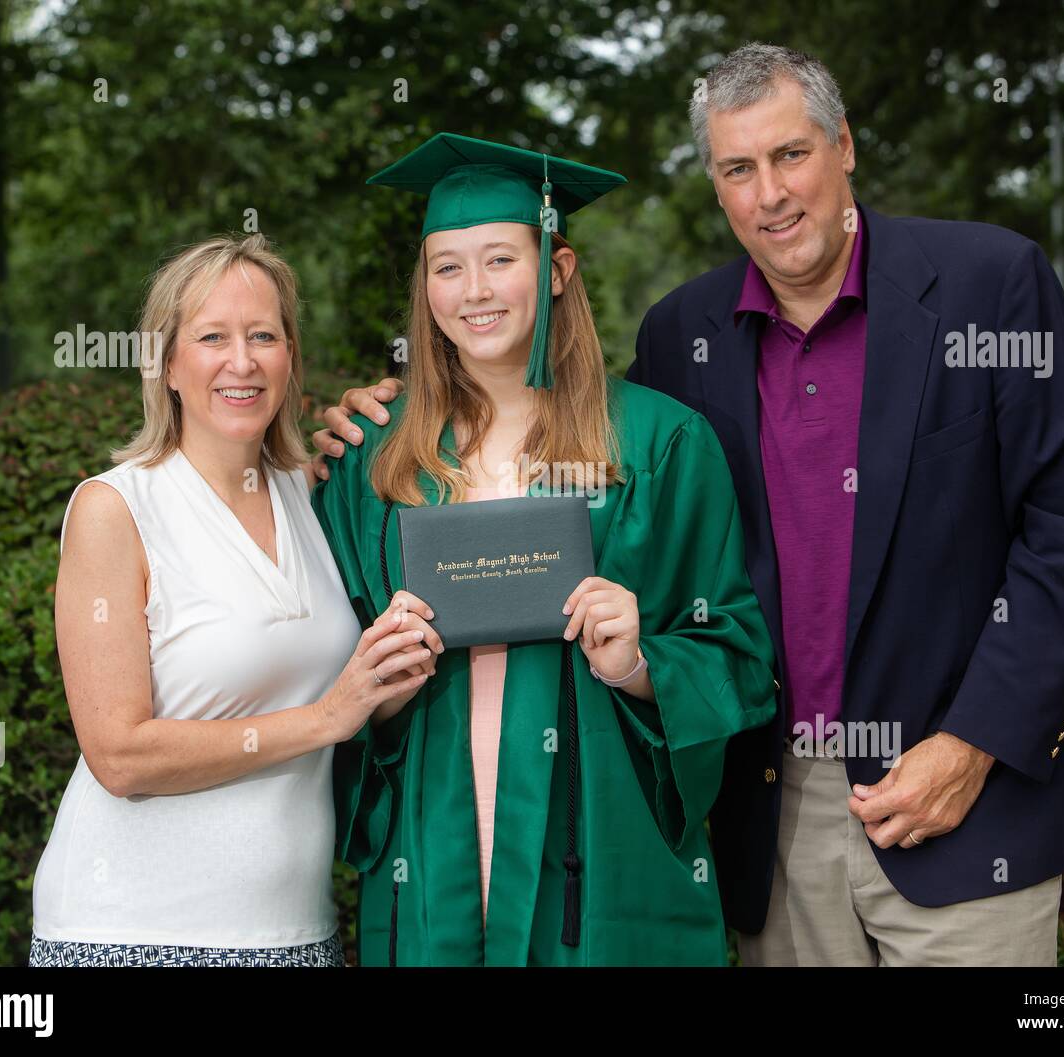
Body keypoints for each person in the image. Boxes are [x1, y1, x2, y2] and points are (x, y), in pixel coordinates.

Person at [316, 44, 1064, 968]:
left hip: (955, 796)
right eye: (739, 168)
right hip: (772, 813)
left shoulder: (991, 285)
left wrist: (976, 741)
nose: (770, 193)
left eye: (791, 155)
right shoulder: (681, 338)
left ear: (845, 145)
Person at [311, 133, 777, 966]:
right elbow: (319, 664)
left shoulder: (660, 443)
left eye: (500, 259)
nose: (474, 290)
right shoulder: (371, 461)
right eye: (447, 266)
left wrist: (640, 662)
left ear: (556, 270)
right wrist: (374, 686)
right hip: (432, 850)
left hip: (600, 858)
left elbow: (737, 654)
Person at [29, 234, 433, 967]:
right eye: (212, 336)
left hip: (295, 932)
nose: (241, 361)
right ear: (167, 363)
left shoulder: (309, 494)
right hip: (136, 934)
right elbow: (119, 754)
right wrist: (327, 717)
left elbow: (337, 693)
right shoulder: (116, 509)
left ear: (290, 358)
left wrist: (382, 684)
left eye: (263, 336)